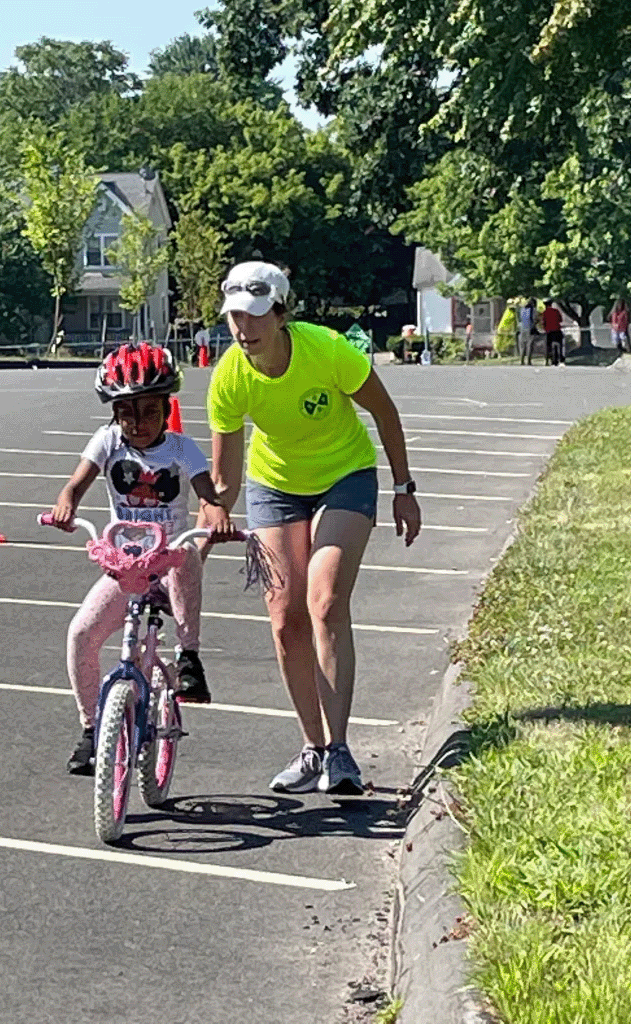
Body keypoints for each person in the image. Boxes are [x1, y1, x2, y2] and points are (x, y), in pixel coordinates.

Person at [203, 261, 422, 795]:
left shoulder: (326, 349)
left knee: (324, 601)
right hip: (275, 486)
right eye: (234, 316)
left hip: (344, 475)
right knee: (284, 618)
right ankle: (312, 747)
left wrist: (404, 488)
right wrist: (210, 515)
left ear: (280, 313)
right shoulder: (229, 377)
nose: (243, 328)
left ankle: (340, 751)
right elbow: (225, 478)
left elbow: (385, 413)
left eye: (255, 315)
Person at [50, 342, 232, 774]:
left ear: (167, 410)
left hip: (166, 560)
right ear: (114, 414)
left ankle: (189, 657)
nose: (137, 423)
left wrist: (219, 516)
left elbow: (209, 495)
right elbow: (75, 486)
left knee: (187, 552)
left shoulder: (183, 450)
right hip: (126, 561)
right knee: (81, 634)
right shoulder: (108, 441)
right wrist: (66, 505)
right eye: (126, 412)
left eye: (149, 411)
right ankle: (93, 730)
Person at [541, 299, 565, 366]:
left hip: (549, 331)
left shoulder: (545, 313)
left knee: (549, 346)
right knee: (560, 344)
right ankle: (561, 357)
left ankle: (551, 359)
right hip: (557, 330)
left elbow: (543, 322)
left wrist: (545, 329)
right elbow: (560, 320)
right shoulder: (556, 311)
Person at [518, 298, 538, 365]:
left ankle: (522, 360)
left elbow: (520, 319)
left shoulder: (521, 310)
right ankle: (528, 361)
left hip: (522, 328)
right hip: (530, 328)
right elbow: (535, 319)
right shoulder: (533, 310)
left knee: (522, 346)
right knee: (529, 345)